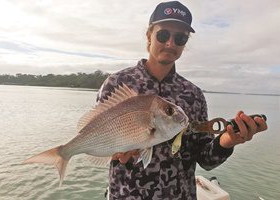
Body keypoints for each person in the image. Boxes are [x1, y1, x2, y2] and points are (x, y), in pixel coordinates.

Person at [96, 1, 268, 200]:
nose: (170, 43)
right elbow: (99, 138)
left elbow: (205, 159)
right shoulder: (117, 84)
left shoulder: (193, 94)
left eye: (180, 38)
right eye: (163, 34)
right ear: (148, 36)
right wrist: (115, 152)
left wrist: (228, 141)